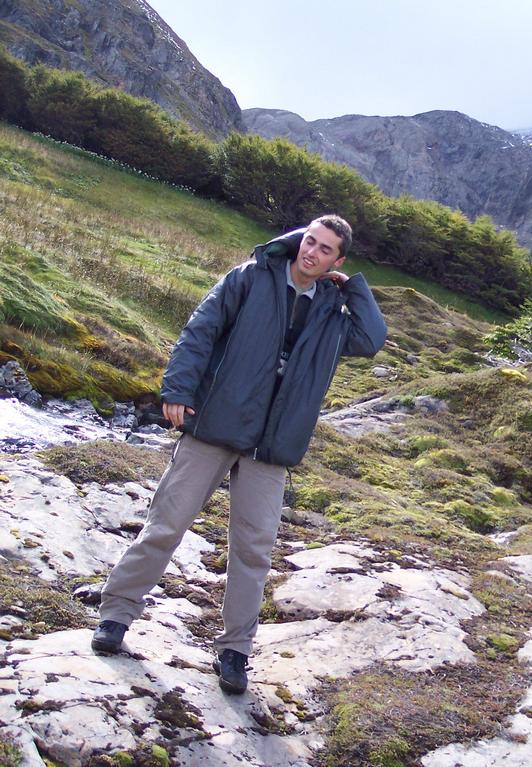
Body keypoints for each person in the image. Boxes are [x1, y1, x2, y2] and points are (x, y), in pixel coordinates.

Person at [92, 214, 387, 694]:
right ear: (298, 239)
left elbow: (372, 339)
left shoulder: (334, 312)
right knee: (166, 525)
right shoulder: (250, 277)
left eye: (325, 249)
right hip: (215, 424)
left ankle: (235, 651)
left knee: (253, 551)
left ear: (338, 260)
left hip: (270, 447)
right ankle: (116, 617)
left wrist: (352, 287)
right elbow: (200, 331)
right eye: (309, 241)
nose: (312, 252)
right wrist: (178, 388)